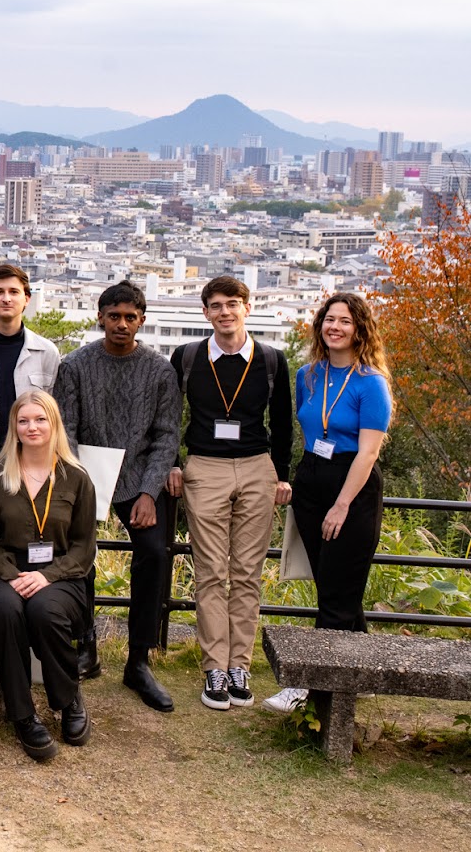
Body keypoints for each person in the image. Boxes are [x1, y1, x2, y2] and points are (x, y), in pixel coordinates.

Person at [164, 276, 292, 711]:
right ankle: (214, 666)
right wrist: (174, 463)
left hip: (258, 467)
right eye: (216, 305)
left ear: (247, 308)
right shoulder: (187, 357)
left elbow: (282, 422)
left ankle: (241, 665)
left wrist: (282, 474)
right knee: (211, 571)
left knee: (248, 573)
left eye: (232, 304)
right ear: (205, 313)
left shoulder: (272, 360)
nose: (224, 312)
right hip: (205, 466)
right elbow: (169, 415)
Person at [53, 281, 179, 712]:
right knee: (77, 556)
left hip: (139, 476)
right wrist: (76, 482)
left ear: (142, 320)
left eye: (130, 317)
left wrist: (149, 491)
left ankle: (139, 659)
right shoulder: (74, 366)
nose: (121, 324)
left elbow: (166, 438)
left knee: (154, 553)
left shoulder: (160, 370)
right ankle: (84, 640)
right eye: (114, 316)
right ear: (100, 317)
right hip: (86, 474)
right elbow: (64, 428)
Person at [263, 293, 392, 714]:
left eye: (345, 321)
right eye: (329, 319)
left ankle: (309, 689)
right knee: (334, 588)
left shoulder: (371, 382)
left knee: (338, 593)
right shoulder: (308, 375)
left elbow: (369, 452)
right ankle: (364, 672)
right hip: (312, 477)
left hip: (351, 484)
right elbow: (307, 426)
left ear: (360, 330)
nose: (335, 327)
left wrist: (341, 505)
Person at [0, 390, 98, 762]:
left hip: (62, 577)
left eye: (40, 419)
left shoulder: (76, 478)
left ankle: (67, 698)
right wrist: (13, 576)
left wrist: (47, 576)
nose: (32, 427)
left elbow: (83, 547)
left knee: (45, 611)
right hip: (4, 574)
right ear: (14, 426)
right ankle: (24, 715)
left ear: (54, 423)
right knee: (7, 611)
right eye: (24, 420)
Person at [0, 264, 60, 471]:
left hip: (28, 459)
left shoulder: (46, 352)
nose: (6, 298)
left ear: (26, 298)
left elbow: (55, 412)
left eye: (14, 292)